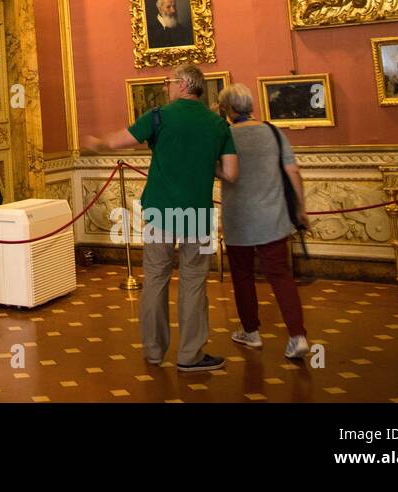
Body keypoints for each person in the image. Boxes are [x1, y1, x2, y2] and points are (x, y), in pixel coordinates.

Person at [82, 64, 239, 373]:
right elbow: (231, 173)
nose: (167, 87)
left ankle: (154, 351)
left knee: (155, 279)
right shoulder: (218, 124)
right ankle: (190, 356)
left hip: (159, 210)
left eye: (170, 82)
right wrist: (209, 166)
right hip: (197, 212)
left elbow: (117, 142)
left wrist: (97, 143)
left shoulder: (159, 116)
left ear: (182, 85)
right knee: (194, 282)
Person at [216, 84, 311, 361]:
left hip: (239, 217)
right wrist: (301, 208)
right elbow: (292, 171)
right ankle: (298, 336)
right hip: (273, 216)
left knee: (243, 277)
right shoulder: (272, 131)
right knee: (281, 275)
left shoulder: (225, 135)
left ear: (228, 110)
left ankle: (251, 332)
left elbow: (222, 171)